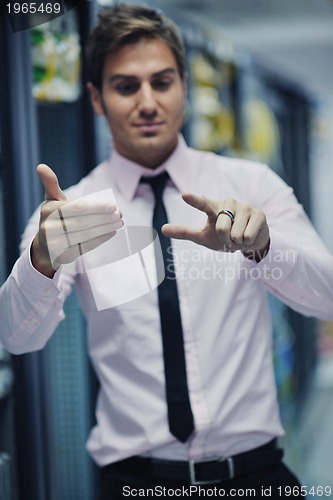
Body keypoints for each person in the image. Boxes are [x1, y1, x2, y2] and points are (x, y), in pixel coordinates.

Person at [1, 3, 333, 498]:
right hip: (136, 484)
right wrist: (41, 263)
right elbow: (15, 337)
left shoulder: (249, 185)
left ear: (183, 86)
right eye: (125, 86)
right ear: (95, 98)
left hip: (257, 478)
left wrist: (264, 248)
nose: (148, 101)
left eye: (162, 81)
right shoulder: (72, 210)